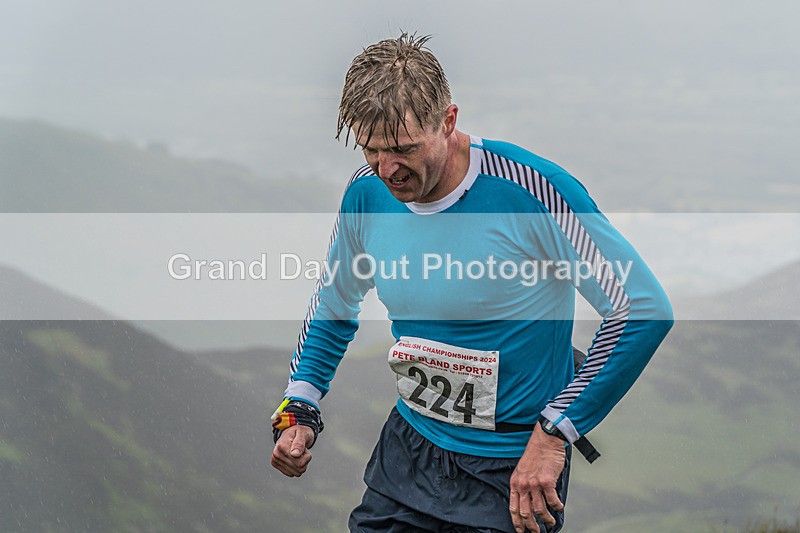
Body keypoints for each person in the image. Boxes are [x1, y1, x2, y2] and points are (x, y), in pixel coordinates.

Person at [271, 33, 674, 533]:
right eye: (371, 150)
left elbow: (641, 307)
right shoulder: (367, 193)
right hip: (409, 449)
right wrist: (302, 399)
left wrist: (556, 432)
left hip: (511, 468)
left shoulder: (529, 191)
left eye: (402, 149)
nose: (387, 170)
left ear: (448, 121)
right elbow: (334, 303)